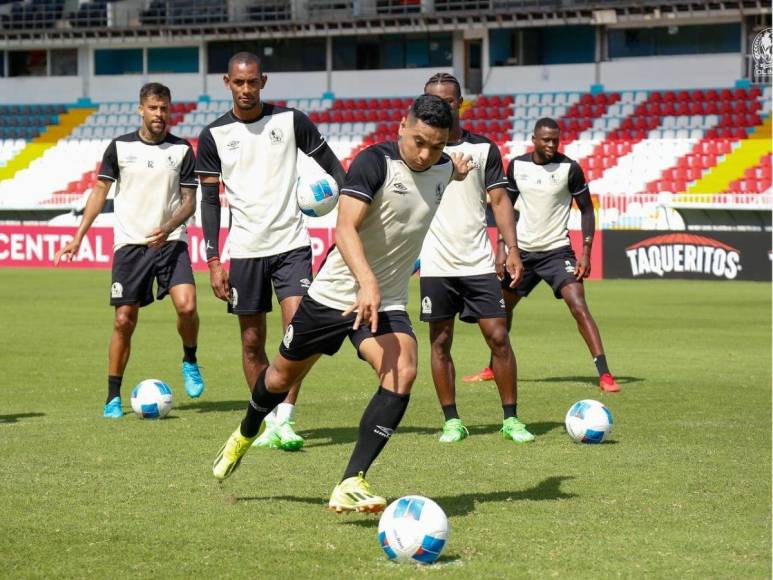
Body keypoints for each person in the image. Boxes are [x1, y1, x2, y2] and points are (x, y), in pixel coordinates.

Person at [211, 94, 473, 513]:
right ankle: (244, 432)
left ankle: (351, 480)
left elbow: (443, 173)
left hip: (383, 302)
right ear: (402, 126)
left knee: (402, 369)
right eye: (419, 141)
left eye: (437, 146)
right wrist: (365, 280)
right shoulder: (375, 163)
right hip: (333, 295)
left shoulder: (442, 166)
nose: (425, 154)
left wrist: (455, 169)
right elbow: (345, 228)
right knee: (278, 379)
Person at [196, 52, 345, 450]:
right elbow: (209, 202)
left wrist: (356, 210)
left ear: (263, 81)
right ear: (227, 83)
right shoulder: (213, 136)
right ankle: (262, 419)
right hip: (244, 251)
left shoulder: (291, 121)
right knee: (250, 341)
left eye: (252, 82)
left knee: (298, 333)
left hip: (293, 244)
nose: (246, 89)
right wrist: (214, 260)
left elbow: (335, 167)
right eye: (238, 82)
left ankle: (285, 420)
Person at [54, 82, 205, 417]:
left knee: (187, 306)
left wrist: (167, 228)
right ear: (141, 109)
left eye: (164, 108)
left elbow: (189, 201)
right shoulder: (119, 147)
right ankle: (112, 397)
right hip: (130, 246)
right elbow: (99, 191)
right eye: (153, 108)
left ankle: (190, 359)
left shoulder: (181, 150)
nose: (159, 115)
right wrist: (79, 235)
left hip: (170, 242)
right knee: (124, 320)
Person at [464, 118, 620, 393]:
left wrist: (585, 251)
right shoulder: (517, 166)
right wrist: (502, 248)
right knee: (501, 309)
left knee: (578, 304)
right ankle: (492, 367)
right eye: (546, 140)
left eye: (555, 140)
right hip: (521, 252)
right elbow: (506, 207)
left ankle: (605, 374)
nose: (551, 145)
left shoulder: (569, 168)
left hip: (557, 252)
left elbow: (586, 210)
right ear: (534, 139)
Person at [419, 73, 534, 444]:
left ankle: (511, 419)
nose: (441, 107)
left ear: (459, 103)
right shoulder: (417, 153)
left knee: (498, 336)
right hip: (436, 263)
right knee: (440, 342)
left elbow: (500, 200)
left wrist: (512, 249)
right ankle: (452, 420)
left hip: (477, 262)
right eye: (433, 101)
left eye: (447, 101)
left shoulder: (483, 149)